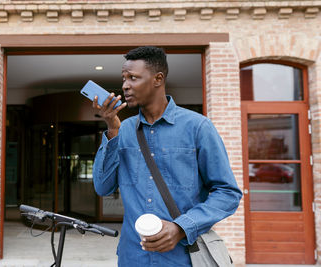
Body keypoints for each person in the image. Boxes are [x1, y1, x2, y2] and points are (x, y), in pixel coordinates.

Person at [92, 46, 242, 266]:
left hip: (183, 259)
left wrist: (183, 227)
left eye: (133, 78)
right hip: (133, 257)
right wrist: (112, 129)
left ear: (158, 79)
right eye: (124, 78)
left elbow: (227, 192)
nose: (125, 85)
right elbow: (102, 187)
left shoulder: (198, 127)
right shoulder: (123, 131)